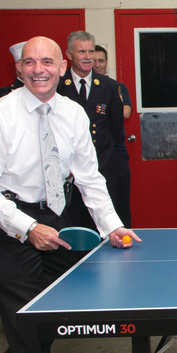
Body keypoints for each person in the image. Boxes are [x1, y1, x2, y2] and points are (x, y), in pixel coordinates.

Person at [0, 36, 139, 353]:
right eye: (30, 62)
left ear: (62, 67)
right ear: (19, 69)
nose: (38, 70)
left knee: (57, 307)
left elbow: (89, 176)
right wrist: (27, 228)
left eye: (47, 62)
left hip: (53, 214)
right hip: (6, 220)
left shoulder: (73, 113)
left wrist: (112, 225)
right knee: (27, 320)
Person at [57, 32, 125, 231]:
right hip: (68, 171)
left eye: (91, 51)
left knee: (101, 224)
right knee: (72, 225)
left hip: (101, 166)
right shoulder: (57, 85)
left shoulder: (110, 87)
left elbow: (115, 131)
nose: (88, 57)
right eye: (81, 52)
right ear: (69, 54)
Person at [94, 45, 132, 226]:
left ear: (106, 63)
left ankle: (123, 234)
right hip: (91, 154)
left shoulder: (116, 87)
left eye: (101, 61)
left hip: (116, 153)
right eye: (93, 61)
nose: (97, 65)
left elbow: (126, 111)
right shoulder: (82, 89)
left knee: (120, 201)